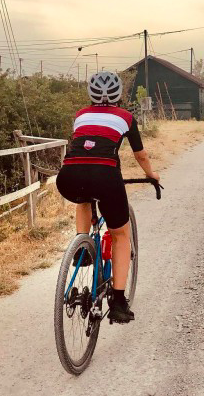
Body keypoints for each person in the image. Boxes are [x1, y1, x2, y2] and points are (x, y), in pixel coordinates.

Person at [56, 71, 159, 323]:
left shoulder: (81, 115)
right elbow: (141, 155)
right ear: (119, 94)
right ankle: (119, 303)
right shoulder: (126, 117)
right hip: (106, 177)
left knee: (83, 198)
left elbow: (84, 146)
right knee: (120, 235)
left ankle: (82, 247)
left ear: (90, 94)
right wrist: (152, 176)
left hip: (69, 176)